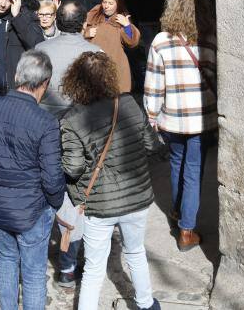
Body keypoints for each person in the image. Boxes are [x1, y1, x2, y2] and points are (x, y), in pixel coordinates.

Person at [0, 50, 65, 310]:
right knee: (32, 275)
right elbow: (53, 177)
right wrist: (54, 204)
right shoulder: (45, 122)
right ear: (45, 84)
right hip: (33, 211)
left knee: (7, 261)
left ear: (17, 75)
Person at [60, 52, 160, 310]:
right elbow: (152, 145)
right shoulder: (127, 104)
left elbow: (72, 168)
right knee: (136, 252)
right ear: (109, 77)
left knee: (93, 268)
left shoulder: (72, 120)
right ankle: (147, 304)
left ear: (76, 82)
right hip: (137, 197)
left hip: (98, 205)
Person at [144, 0, 217, 252]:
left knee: (177, 163)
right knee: (194, 169)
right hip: (201, 118)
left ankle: (177, 213)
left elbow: (154, 84)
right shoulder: (211, 38)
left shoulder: (161, 41)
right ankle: (186, 230)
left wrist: (152, 115)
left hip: (172, 117)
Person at [34, 3, 102, 285]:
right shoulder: (96, 54)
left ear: (57, 22)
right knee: (77, 199)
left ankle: (37, 259)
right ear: (84, 22)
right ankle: (68, 266)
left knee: (43, 195)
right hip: (83, 135)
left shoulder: (40, 50)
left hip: (45, 132)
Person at [84, 0, 141, 93]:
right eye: (104, 2)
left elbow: (132, 42)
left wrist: (127, 26)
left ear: (117, 4)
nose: (106, 6)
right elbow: (79, 36)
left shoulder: (121, 20)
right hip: (93, 67)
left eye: (110, 3)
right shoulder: (93, 16)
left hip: (115, 67)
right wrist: (86, 34)